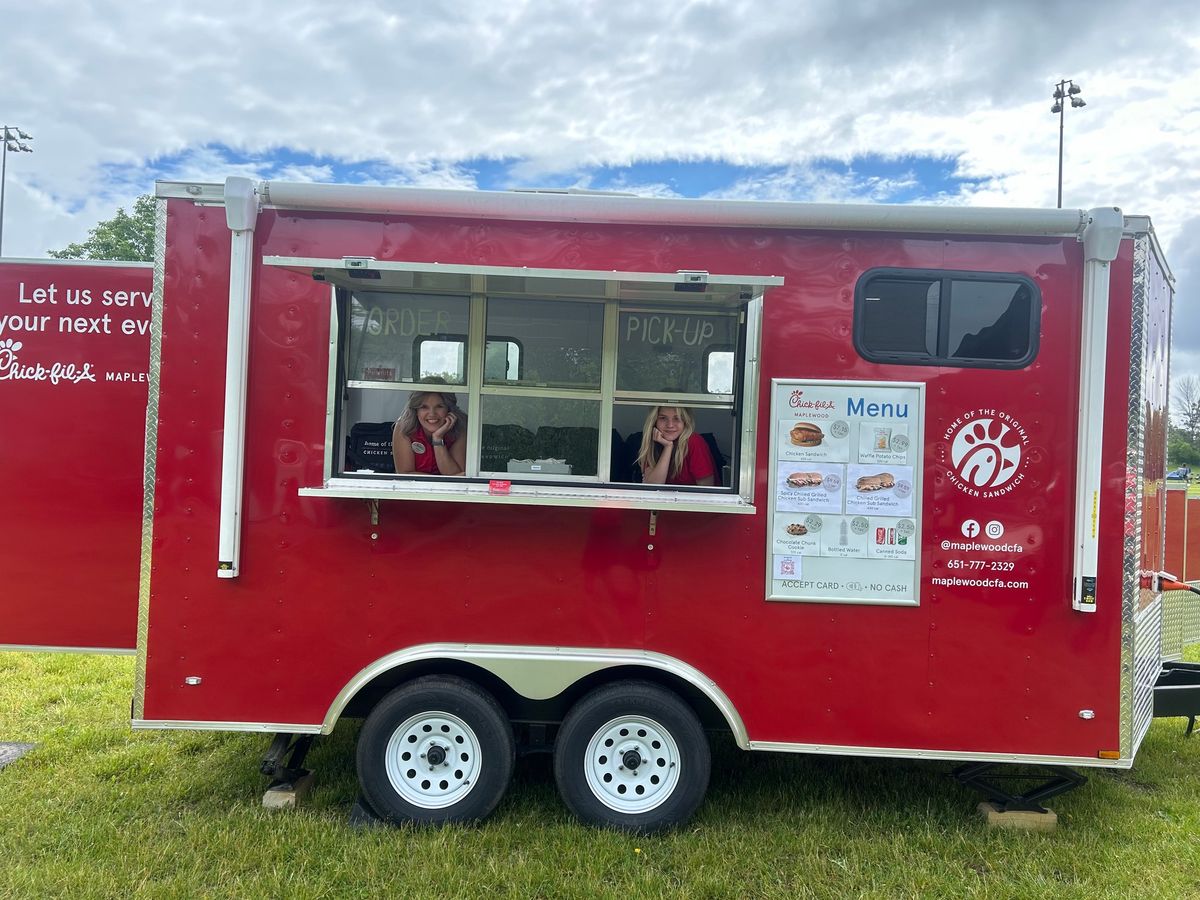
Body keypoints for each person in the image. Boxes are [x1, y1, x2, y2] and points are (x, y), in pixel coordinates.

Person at [392, 387, 467, 476]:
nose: (432, 414)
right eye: (424, 407)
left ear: (449, 410)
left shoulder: (460, 428)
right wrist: (441, 481)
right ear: (416, 410)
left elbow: (456, 476)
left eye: (439, 406)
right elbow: (405, 475)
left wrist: (438, 439)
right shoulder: (404, 427)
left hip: (450, 489)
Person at [637, 405, 715, 486]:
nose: (670, 425)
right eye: (663, 418)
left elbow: (706, 490)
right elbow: (652, 487)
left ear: (685, 421)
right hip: (660, 498)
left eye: (677, 418)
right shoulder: (653, 441)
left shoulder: (694, 441)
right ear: (654, 421)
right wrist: (668, 447)